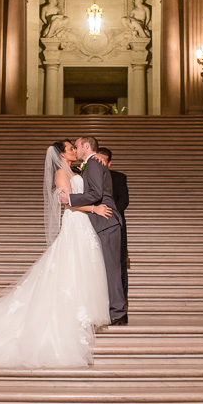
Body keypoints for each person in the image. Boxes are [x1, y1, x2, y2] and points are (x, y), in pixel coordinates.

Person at [0, 139, 112, 367]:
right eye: (70, 149)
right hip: (75, 221)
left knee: (83, 267)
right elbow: (67, 202)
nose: (74, 151)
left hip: (83, 224)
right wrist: (93, 208)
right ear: (60, 155)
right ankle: (70, 316)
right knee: (70, 266)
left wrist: (96, 158)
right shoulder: (61, 173)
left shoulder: (76, 169)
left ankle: (82, 313)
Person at [62, 136, 126, 325]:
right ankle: (112, 309)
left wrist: (71, 199)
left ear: (86, 146)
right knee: (104, 268)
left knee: (111, 268)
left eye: (77, 146)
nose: (75, 149)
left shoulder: (94, 164)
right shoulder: (92, 163)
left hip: (105, 220)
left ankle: (117, 312)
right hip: (99, 221)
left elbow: (97, 194)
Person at [97, 147, 130, 303]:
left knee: (119, 265)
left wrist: (110, 214)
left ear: (109, 163)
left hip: (116, 226)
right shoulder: (88, 177)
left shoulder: (119, 178)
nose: (100, 164)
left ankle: (121, 305)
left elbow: (124, 200)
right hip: (95, 227)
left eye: (103, 161)